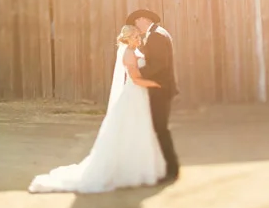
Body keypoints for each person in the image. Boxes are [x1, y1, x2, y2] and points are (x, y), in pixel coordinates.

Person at [27, 25, 166, 193]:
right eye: (135, 37)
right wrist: (157, 85)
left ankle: (141, 166)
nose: (138, 39)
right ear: (127, 39)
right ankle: (127, 170)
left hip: (140, 96)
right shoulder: (128, 54)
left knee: (140, 130)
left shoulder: (135, 51)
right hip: (133, 95)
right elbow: (135, 79)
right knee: (129, 129)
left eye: (139, 36)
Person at [125, 9, 180, 183]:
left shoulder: (156, 36)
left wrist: (137, 74)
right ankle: (166, 166)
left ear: (142, 19)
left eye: (136, 23)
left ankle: (172, 169)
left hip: (160, 89)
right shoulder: (158, 33)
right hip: (161, 88)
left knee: (160, 128)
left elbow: (158, 64)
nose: (136, 27)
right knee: (159, 128)